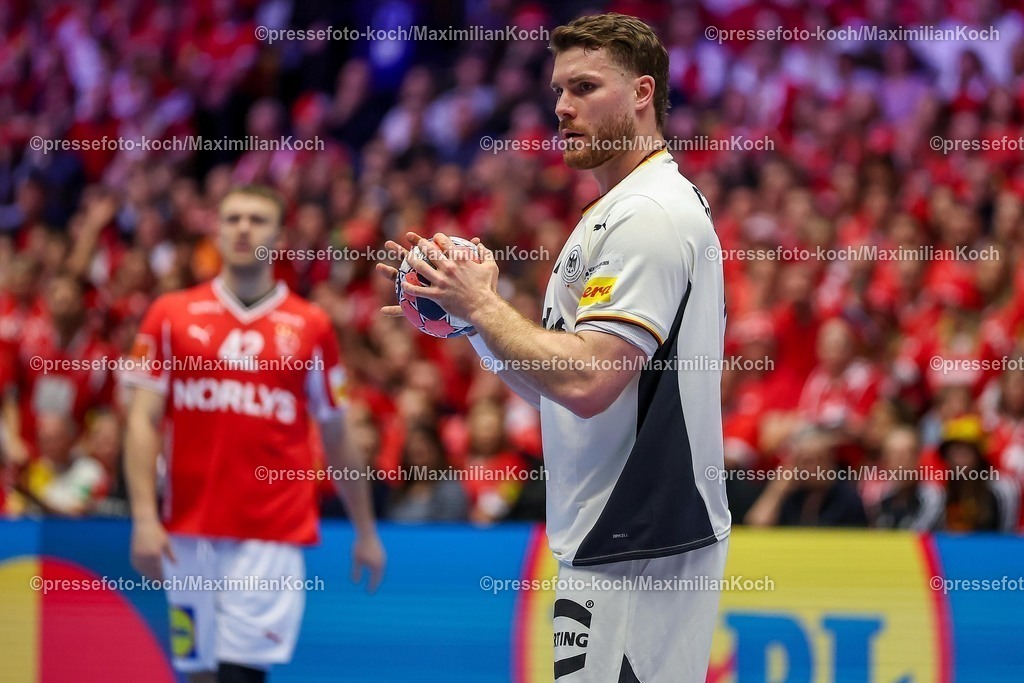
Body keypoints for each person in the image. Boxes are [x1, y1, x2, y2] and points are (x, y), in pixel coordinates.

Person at [377, 13, 729, 682]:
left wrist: (482, 305)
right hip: (613, 537)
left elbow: (589, 381)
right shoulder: (615, 210)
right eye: (558, 90)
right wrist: (472, 321)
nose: (563, 107)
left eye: (585, 86)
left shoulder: (648, 213)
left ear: (641, 93)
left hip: (637, 536)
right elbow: (556, 385)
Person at [123, 185, 385, 683]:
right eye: (233, 218)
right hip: (186, 531)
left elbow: (337, 433)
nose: (243, 229)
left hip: (270, 534)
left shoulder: (310, 325)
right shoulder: (170, 314)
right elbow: (142, 420)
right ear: (216, 230)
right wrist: (143, 517)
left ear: (280, 235)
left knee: (239, 676)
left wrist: (366, 530)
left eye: (257, 220)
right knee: (197, 675)